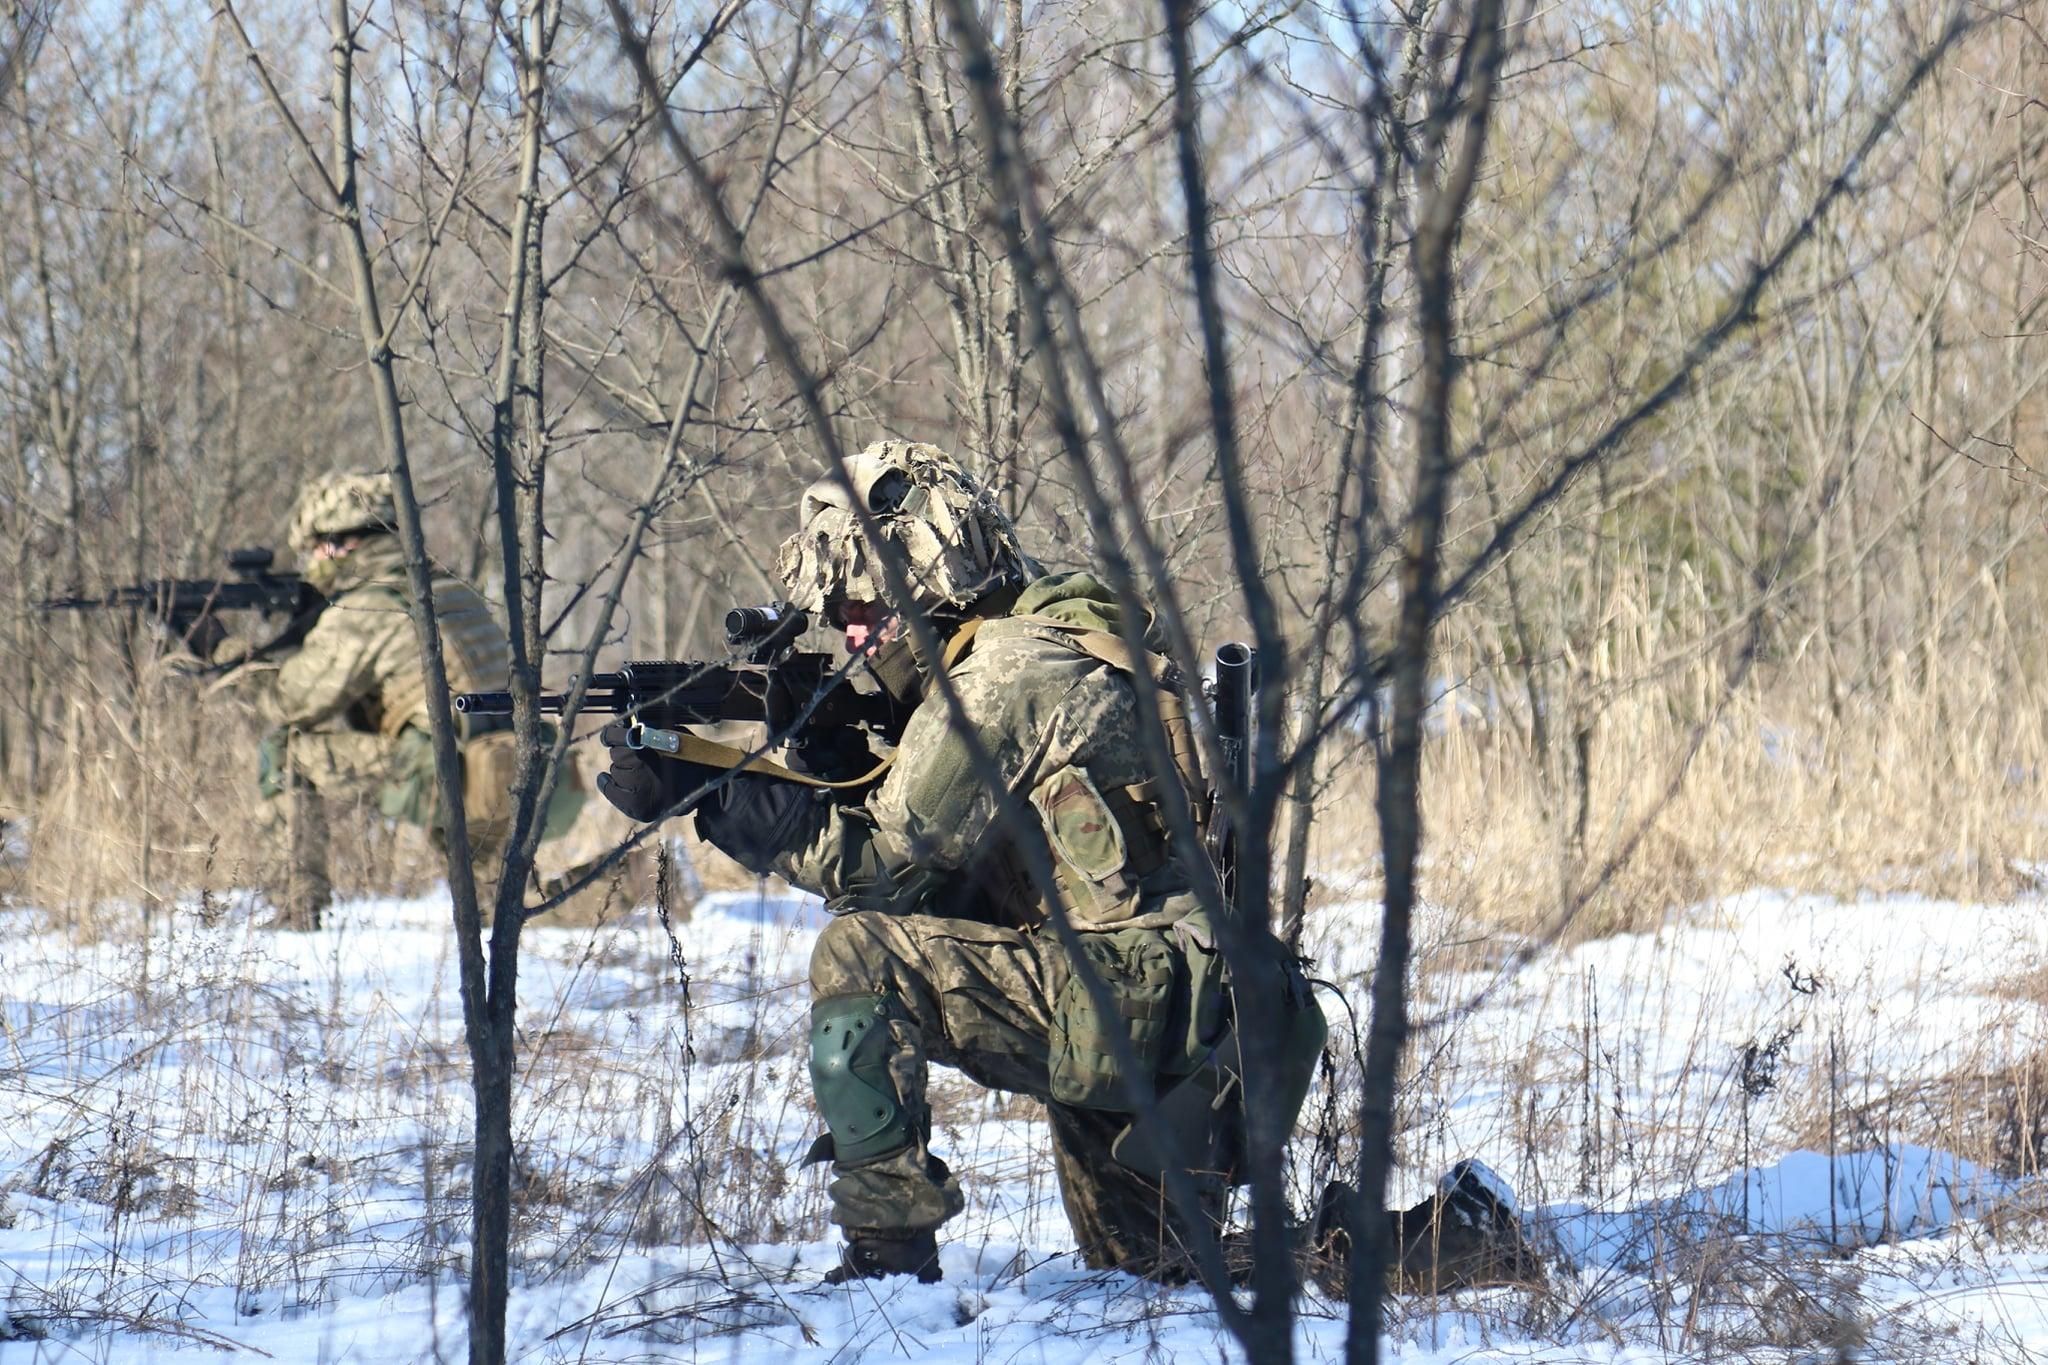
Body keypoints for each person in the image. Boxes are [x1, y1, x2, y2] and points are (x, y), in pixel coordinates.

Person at [596, 440, 1525, 1288]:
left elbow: (883, 872)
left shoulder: (1002, 673)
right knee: (1151, 1267)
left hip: (1149, 1000)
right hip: (1201, 1015)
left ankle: (886, 1259)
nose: (855, 637)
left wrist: (711, 792)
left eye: (867, 611)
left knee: (859, 954)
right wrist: (827, 752)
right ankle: (1458, 1236)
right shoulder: (1055, 629)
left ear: (927, 580)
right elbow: (971, 869)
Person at [214, 471, 580, 928]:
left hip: (449, 770)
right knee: (504, 907)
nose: (311, 563)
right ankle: (638, 885)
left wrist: (224, 654)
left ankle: (298, 909)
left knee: (285, 752)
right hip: (514, 762)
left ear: (339, 544)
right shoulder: (449, 587)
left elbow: (290, 703)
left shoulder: (366, 607)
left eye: (314, 549)